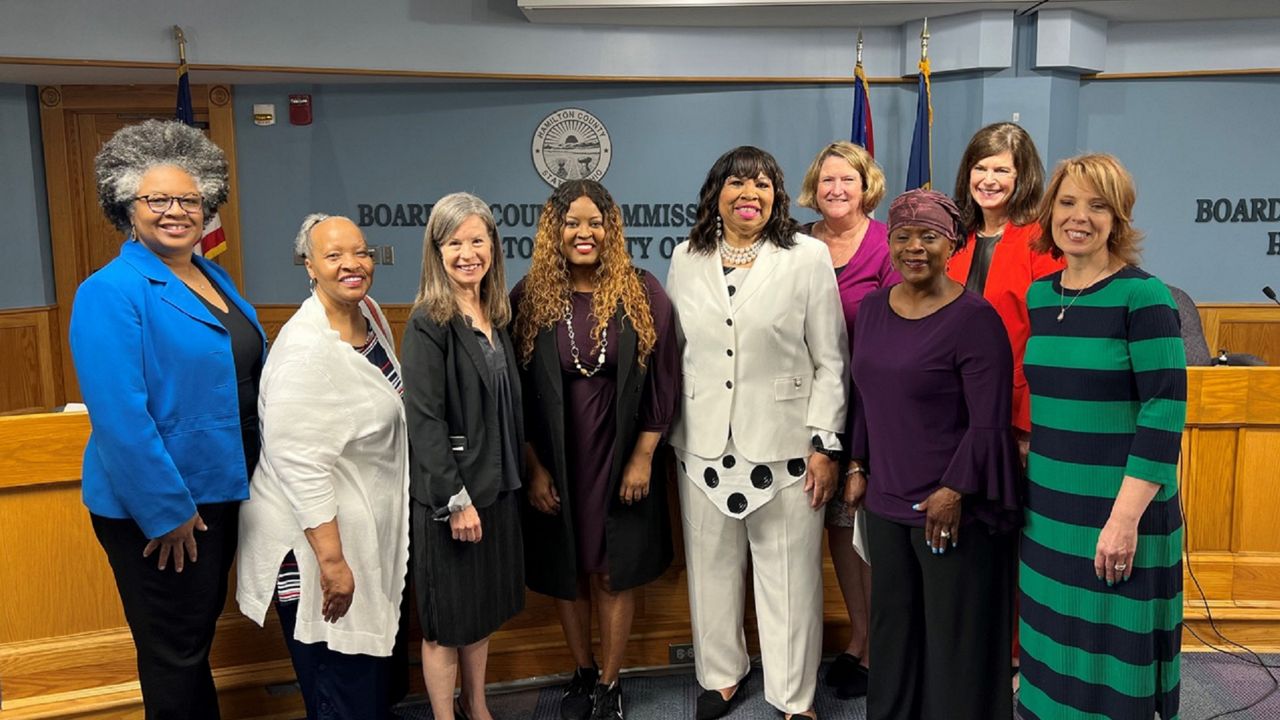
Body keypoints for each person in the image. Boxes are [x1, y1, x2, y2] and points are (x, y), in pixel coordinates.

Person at [69, 119, 265, 719]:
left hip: (222, 490)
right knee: (174, 655)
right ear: (127, 206)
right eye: (158, 199)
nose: (177, 211)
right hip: (164, 512)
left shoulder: (212, 276)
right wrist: (167, 512)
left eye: (189, 199)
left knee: (192, 643)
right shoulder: (111, 290)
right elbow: (120, 417)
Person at [666, 146, 849, 720]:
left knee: (791, 580)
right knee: (711, 571)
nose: (751, 194)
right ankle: (720, 675)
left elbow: (832, 360)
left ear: (777, 195)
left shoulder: (806, 256)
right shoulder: (685, 257)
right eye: (737, 183)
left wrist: (825, 443)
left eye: (763, 184)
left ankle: (794, 697)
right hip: (702, 444)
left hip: (787, 447)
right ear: (715, 192)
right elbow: (678, 353)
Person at [1019, 154, 1186, 720]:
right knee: (1054, 636)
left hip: (1121, 508)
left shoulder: (1145, 297)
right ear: (1050, 212)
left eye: (1097, 205)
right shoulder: (1041, 296)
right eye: (1068, 202)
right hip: (1050, 507)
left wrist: (1123, 521)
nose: (1079, 217)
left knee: (1115, 651)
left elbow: (1165, 412)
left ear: (1118, 218)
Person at [846, 189, 1022, 720]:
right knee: (893, 630)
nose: (914, 247)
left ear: (953, 246)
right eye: (902, 237)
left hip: (951, 508)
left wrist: (954, 492)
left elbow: (989, 422)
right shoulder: (874, 309)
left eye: (929, 237)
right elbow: (864, 396)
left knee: (953, 637)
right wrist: (857, 464)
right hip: (886, 503)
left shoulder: (975, 318)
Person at [512, 180, 680, 720]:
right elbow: (513, 393)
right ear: (552, 231)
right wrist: (534, 468)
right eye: (571, 222)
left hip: (620, 452)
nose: (584, 233)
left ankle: (610, 682)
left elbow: (665, 378)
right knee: (568, 566)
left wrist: (643, 455)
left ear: (611, 228)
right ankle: (581, 671)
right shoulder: (528, 298)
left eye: (595, 221)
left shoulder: (642, 290)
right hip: (558, 459)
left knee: (612, 568)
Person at [236, 214, 408, 718]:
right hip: (313, 548)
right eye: (334, 256)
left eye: (360, 252)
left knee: (367, 687)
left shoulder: (369, 314)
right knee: (338, 691)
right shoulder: (303, 353)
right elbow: (300, 468)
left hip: (360, 535)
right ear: (310, 266)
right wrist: (333, 565)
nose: (352, 264)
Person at [402, 193, 525, 720]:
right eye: (455, 242)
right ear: (437, 250)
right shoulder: (429, 320)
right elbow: (424, 419)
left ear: (494, 248)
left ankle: (478, 707)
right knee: (445, 623)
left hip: (494, 489)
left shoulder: (495, 313)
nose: (468, 253)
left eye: (478, 240)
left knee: (480, 613)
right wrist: (456, 501)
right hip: (451, 500)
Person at [795, 140, 899, 699]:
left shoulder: (886, 246)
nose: (837, 190)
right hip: (807, 409)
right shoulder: (794, 242)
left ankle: (884, 644)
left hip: (874, 407)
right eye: (828, 179)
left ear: (867, 188)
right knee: (838, 526)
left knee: (870, 529)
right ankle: (858, 639)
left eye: (849, 180)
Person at [948, 122, 1064, 465]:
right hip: (951, 405)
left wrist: (1026, 424)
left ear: (1021, 177)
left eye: (1001, 170)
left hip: (1010, 412)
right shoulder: (954, 236)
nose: (988, 180)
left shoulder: (1041, 241)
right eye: (980, 168)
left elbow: (1048, 340)